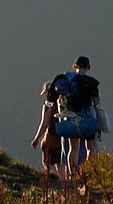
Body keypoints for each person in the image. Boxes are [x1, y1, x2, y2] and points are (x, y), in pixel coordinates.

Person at [58, 55, 101, 183]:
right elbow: (96, 101)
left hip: (73, 116)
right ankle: (90, 174)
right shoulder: (92, 82)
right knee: (91, 147)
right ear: (88, 67)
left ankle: (72, 175)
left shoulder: (68, 80)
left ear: (75, 66)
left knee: (74, 148)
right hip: (88, 115)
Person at [30, 79, 64, 182]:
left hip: (50, 139)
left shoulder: (48, 105)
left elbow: (44, 124)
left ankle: (48, 185)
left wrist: (36, 139)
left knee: (47, 163)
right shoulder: (63, 103)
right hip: (62, 138)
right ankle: (65, 184)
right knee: (60, 164)